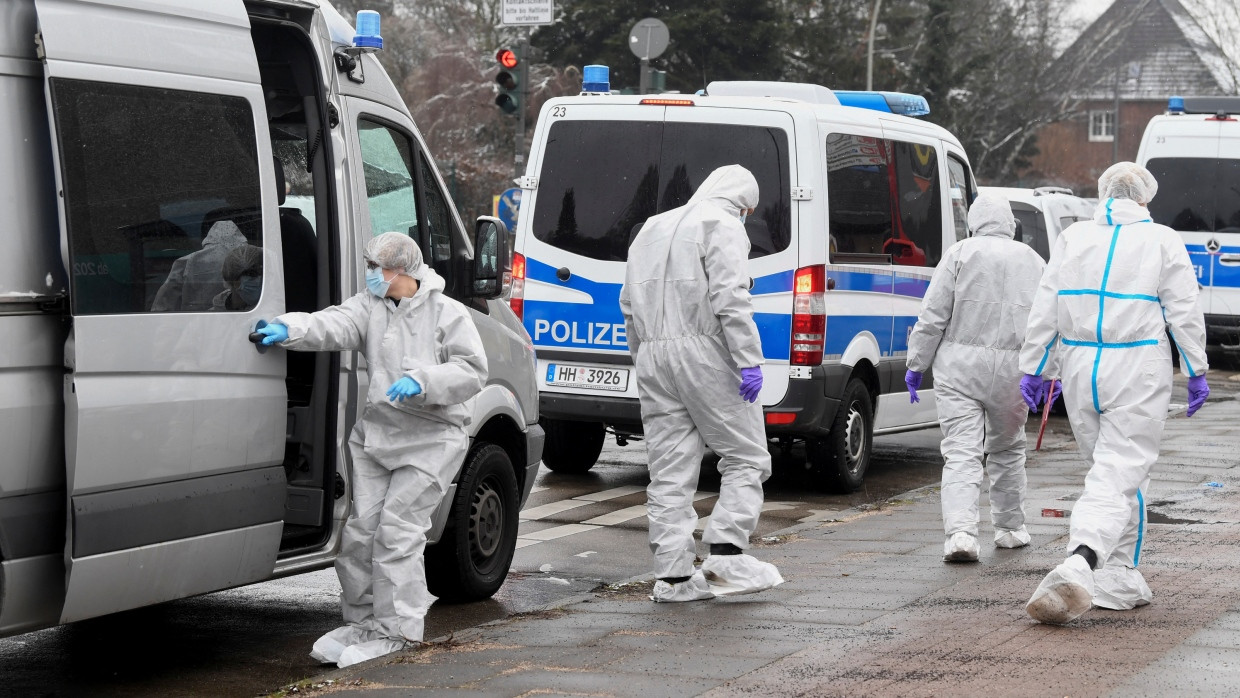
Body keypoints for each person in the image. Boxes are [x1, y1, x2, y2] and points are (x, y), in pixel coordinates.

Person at [253, 231, 487, 666]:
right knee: (361, 534)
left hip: (430, 439)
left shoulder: (447, 313)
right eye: (371, 267)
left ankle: (398, 633)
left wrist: (424, 381)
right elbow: (334, 323)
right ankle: (362, 623)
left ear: (404, 270)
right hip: (379, 436)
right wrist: (290, 328)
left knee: (397, 535)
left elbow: (473, 371)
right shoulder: (370, 306)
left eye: (379, 268)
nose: (372, 275)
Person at [1019, 162, 1209, 625]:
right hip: (1137, 364)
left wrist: (1035, 366)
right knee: (1118, 471)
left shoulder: (1074, 238)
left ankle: (1119, 574)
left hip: (1082, 365)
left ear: (1105, 194)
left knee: (1114, 471)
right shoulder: (1162, 239)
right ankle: (1081, 560)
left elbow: (1047, 302)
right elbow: (1183, 307)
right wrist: (1196, 367)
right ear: (1144, 197)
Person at [619, 164, 784, 603]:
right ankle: (727, 554)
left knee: (669, 471)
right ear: (743, 203)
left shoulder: (652, 228)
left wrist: (644, 358)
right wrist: (750, 360)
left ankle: (673, 579)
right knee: (747, 456)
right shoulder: (722, 224)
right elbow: (730, 298)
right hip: (706, 353)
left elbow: (629, 305)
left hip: (654, 355)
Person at [905, 193, 1049, 563]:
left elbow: (933, 314)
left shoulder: (958, 254)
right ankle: (1010, 529)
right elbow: (1050, 321)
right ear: (1011, 225)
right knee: (1007, 449)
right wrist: (1049, 371)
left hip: (959, 368)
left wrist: (916, 363)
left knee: (961, 453)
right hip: (1014, 370)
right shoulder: (1033, 261)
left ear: (972, 222)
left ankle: (961, 535)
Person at [151, 219, 248, 312]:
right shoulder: (255, 257)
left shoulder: (187, 261)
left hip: (194, 321)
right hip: (243, 318)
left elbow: (162, 305)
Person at [212, 244, 263, 311]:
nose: (259, 280)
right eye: (252, 274)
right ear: (233, 281)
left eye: (261, 273)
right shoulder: (213, 315)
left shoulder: (270, 312)